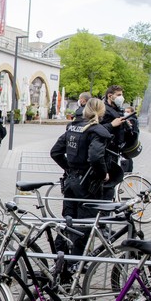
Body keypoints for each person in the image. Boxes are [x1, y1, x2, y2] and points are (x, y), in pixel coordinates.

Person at [49, 97, 112, 255]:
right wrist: (103, 174)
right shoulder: (96, 131)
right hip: (88, 185)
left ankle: (60, 259)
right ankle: (75, 264)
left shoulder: (73, 128)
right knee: (83, 225)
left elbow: (55, 152)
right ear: (101, 111)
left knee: (67, 221)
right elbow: (96, 157)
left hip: (71, 181)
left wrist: (69, 168)